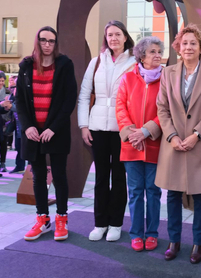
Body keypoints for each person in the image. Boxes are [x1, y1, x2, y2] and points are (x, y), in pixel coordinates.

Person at [156, 24, 201, 264]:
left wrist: (196, 134)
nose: (188, 47)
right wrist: (173, 136)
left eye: (193, 43)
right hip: (173, 144)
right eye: (184, 43)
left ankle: (198, 244)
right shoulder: (168, 72)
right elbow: (162, 109)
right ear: (178, 47)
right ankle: (174, 242)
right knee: (172, 195)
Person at [16, 26, 77, 242]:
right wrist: (27, 127)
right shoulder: (25, 65)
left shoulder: (65, 64)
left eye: (52, 41)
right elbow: (20, 101)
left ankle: (61, 218)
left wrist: (53, 128)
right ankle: (42, 218)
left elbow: (70, 99)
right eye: (44, 40)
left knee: (59, 176)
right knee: (38, 177)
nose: (48, 44)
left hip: (56, 131)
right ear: (37, 41)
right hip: (33, 132)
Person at [78, 20, 136, 242]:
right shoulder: (96, 63)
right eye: (110, 35)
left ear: (125, 37)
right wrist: (84, 125)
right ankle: (100, 223)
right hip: (98, 128)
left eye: (117, 34)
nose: (113, 38)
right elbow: (84, 95)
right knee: (101, 178)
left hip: (123, 129)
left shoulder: (133, 62)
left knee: (120, 178)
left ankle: (116, 224)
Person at [115, 36, 164, 252]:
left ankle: (152, 233)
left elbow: (168, 111)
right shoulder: (127, 79)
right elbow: (120, 107)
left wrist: (147, 131)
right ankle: (136, 234)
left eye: (159, 51)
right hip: (131, 145)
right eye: (152, 51)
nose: (157, 55)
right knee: (135, 192)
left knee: (153, 192)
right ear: (142, 56)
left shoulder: (166, 79)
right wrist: (131, 133)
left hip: (155, 144)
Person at [0, 70, 11, 172]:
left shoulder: (7, 92)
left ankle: (3, 163)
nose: (0, 83)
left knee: (3, 142)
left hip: (5, 120)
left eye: (2, 81)